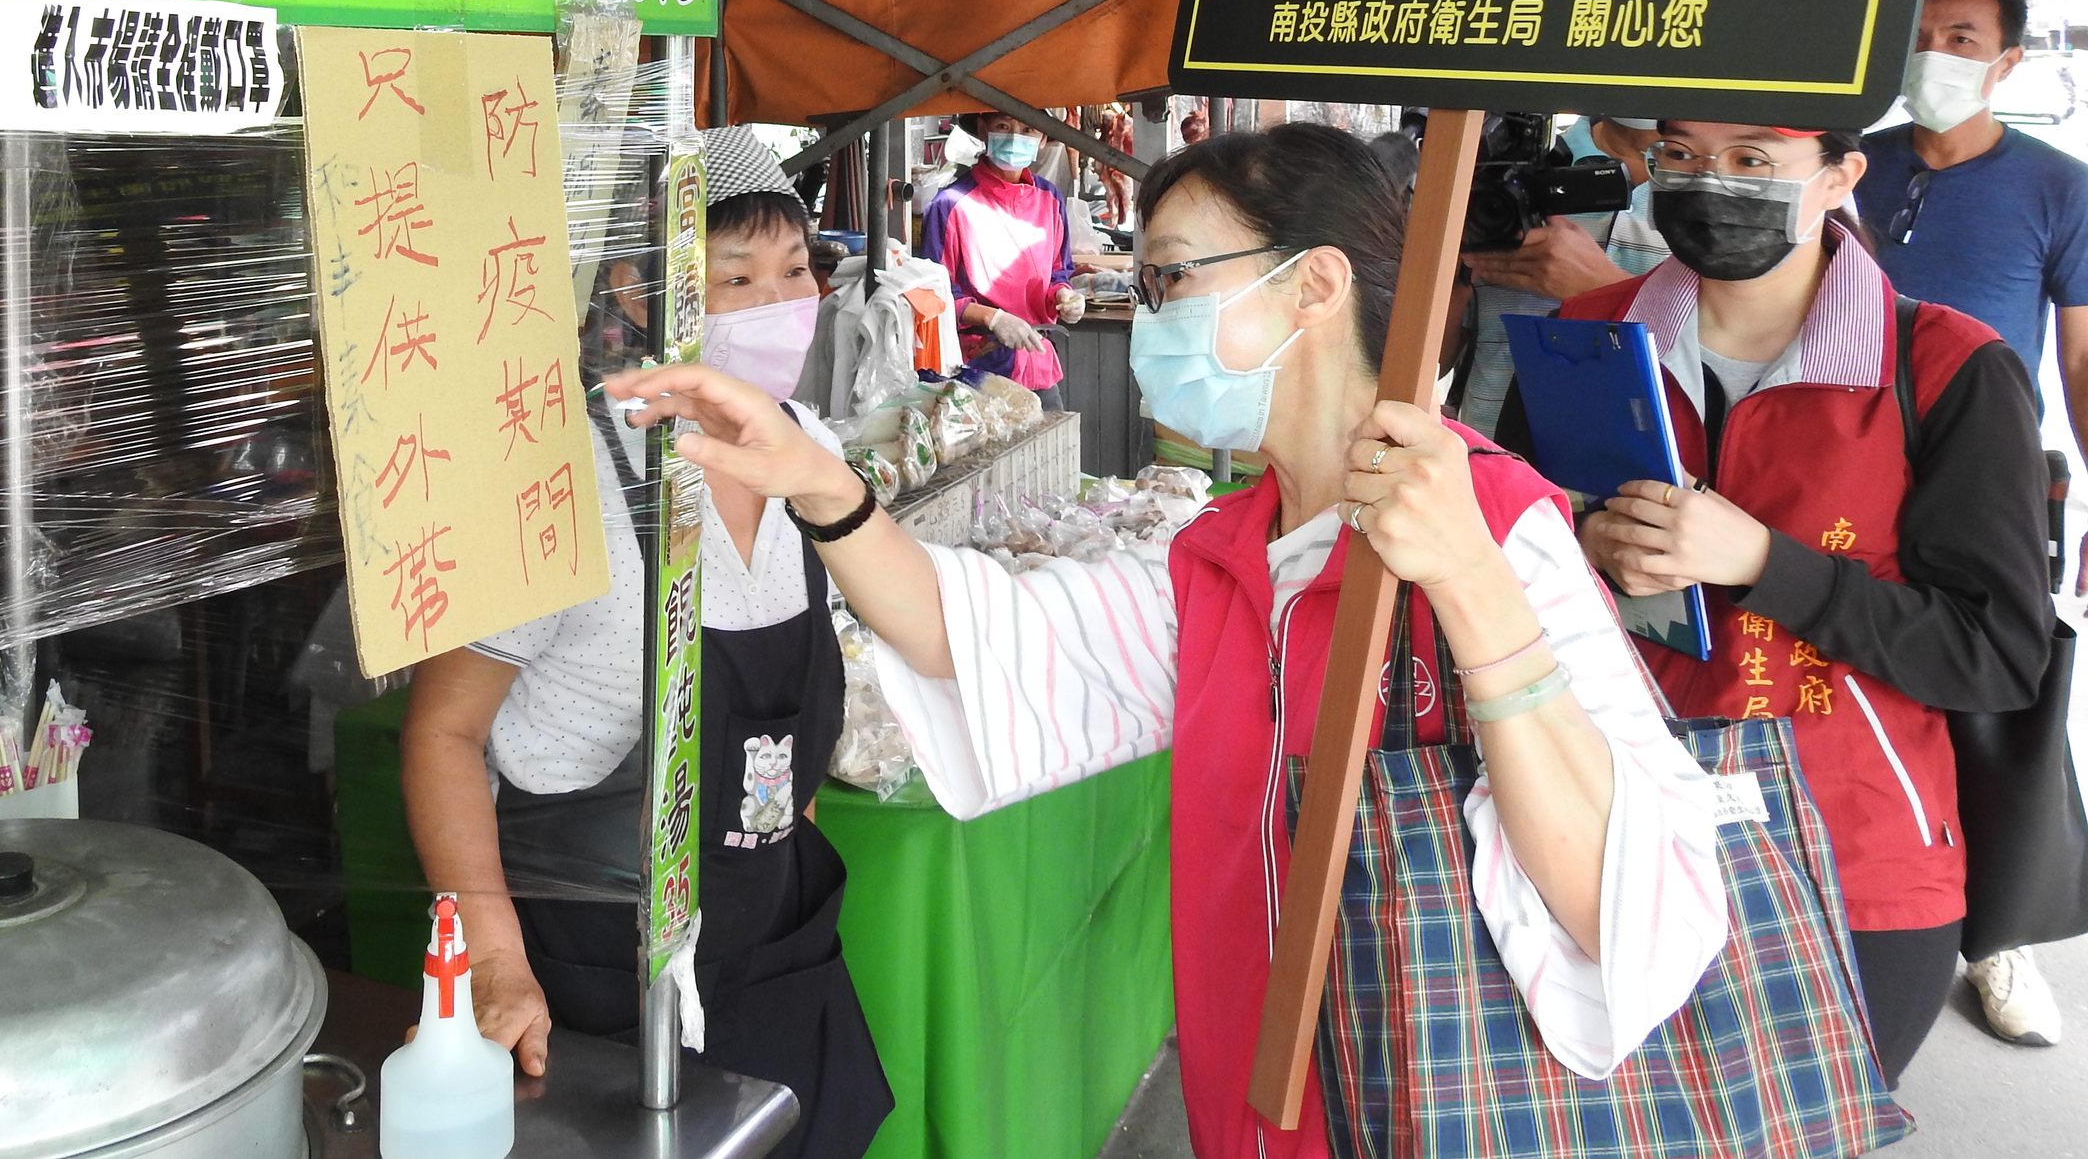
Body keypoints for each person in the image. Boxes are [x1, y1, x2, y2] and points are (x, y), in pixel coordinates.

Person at [609, 125, 1729, 1158]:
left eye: (1171, 279)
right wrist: (821, 485)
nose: (1149, 317)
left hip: (1443, 1107)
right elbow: (980, 636)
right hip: (1255, 1102)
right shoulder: (1227, 553)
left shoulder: (1490, 526)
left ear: (1314, 285)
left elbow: (1636, 912)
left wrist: (1475, 588)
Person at [399, 129, 891, 1158]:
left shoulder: (808, 453)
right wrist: (493, 959)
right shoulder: (565, 478)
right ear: (635, 289)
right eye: (736, 278)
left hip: (772, 946)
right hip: (593, 962)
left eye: (795, 270)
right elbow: (443, 732)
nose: (778, 303)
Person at [1544, 121, 2051, 1078]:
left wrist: (1766, 564)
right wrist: (1585, 540)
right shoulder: (1586, 338)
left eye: (1752, 160)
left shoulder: (1945, 367)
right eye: (1681, 155)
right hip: (1600, 836)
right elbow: (1507, 550)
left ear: (1839, 175)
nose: (1709, 181)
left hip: (1850, 865)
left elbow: (1993, 654)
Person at [1854, 0, 2088, 1048]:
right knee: (1865, 678)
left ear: (2006, 62)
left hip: (1986, 478)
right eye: (1919, 35)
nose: (1934, 57)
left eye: (1960, 39)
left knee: (1997, 706)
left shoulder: (2056, 185)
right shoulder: (1854, 163)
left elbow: (2078, 361)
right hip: (1851, 468)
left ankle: (1999, 937)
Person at [1453, 118, 1668, 436]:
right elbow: (1426, 357)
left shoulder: (1714, 188)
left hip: (1645, 452)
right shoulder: (1509, 163)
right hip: (1486, 453)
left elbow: (1728, 358)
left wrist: (1605, 291)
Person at [920, 113, 1084, 407]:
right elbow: (932, 295)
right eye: (1003, 127)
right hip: (977, 370)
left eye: (1028, 129)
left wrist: (1064, 296)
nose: (1015, 137)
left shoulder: (1050, 198)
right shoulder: (949, 204)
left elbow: (1058, 272)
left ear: (1043, 139)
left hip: (1037, 361)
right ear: (983, 129)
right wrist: (993, 318)